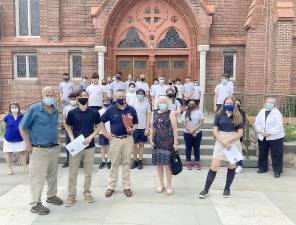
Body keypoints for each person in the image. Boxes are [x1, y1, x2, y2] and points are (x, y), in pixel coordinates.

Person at [19, 86, 63, 215]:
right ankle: (35, 203)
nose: (50, 97)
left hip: (53, 148)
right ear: (42, 96)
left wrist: (58, 138)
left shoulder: (55, 110)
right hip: (39, 149)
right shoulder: (34, 109)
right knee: (37, 178)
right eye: (47, 95)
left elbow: (54, 126)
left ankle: (51, 196)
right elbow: (22, 127)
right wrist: (27, 143)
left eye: (52, 95)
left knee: (52, 175)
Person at [199, 96, 243, 199]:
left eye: (231, 104)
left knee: (231, 166)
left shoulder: (238, 116)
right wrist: (223, 141)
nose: (229, 105)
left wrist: (228, 141)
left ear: (234, 105)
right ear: (224, 103)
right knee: (214, 166)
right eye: (227, 103)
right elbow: (215, 130)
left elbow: (240, 133)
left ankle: (227, 189)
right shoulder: (219, 115)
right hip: (220, 141)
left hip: (233, 142)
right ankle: (206, 189)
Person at [64, 90, 101, 207]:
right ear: (77, 98)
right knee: (72, 172)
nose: (83, 97)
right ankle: (71, 196)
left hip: (89, 146)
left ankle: (87, 193)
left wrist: (91, 137)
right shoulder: (72, 113)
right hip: (76, 145)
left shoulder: (94, 112)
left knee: (88, 172)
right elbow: (68, 127)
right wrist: (72, 138)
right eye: (81, 96)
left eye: (85, 95)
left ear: (88, 97)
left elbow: (98, 127)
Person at [100, 89, 138, 198]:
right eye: (118, 97)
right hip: (115, 140)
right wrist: (106, 133)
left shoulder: (131, 109)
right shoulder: (111, 109)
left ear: (125, 97)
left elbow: (136, 123)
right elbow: (101, 121)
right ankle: (111, 186)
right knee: (114, 163)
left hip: (127, 139)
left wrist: (132, 129)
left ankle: (126, 186)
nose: (120, 98)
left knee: (126, 163)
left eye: (122, 96)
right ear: (115, 98)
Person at [150, 96, 178, 195]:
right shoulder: (154, 113)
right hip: (157, 142)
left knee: (167, 165)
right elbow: (152, 128)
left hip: (168, 142)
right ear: (157, 103)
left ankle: (169, 185)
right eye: (161, 102)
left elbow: (174, 129)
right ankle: (161, 184)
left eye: (164, 102)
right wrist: (150, 139)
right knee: (159, 164)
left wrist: (176, 143)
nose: (162, 103)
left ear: (167, 103)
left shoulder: (171, 113)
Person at [254, 97, 285, 178]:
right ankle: (262, 168)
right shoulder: (261, 111)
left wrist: (270, 133)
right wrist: (260, 131)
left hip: (275, 137)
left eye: (271, 103)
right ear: (265, 103)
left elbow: (279, 126)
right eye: (268, 102)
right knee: (262, 152)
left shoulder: (277, 113)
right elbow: (257, 122)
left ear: (274, 104)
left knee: (276, 154)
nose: (269, 104)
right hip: (263, 135)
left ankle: (277, 171)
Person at [3, 102, 27, 175]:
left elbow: (25, 126)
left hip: (20, 138)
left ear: (18, 108)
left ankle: (25, 167)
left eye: (15, 107)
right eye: (12, 107)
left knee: (23, 153)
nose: (14, 109)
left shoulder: (22, 116)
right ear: (10, 108)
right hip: (9, 139)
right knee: (9, 154)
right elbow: (4, 127)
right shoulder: (6, 117)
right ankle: (10, 169)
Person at [130, 89, 151, 170]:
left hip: (143, 128)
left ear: (144, 94)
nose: (140, 94)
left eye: (141, 93)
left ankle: (140, 161)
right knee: (134, 145)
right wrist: (130, 127)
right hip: (134, 128)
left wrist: (147, 128)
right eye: (138, 93)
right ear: (136, 94)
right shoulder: (133, 103)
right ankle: (135, 160)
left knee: (141, 144)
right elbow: (129, 116)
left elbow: (148, 116)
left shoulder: (147, 104)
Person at [181, 100, 204, 170]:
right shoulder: (185, 113)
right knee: (188, 148)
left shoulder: (199, 112)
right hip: (187, 133)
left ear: (195, 104)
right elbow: (184, 123)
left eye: (193, 103)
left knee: (197, 148)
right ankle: (188, 162)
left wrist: (194, 130)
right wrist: (191, 131)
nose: (192, 104)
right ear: (188, 104)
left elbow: (201, 123)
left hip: (198, 133)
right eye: (190, 103)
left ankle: (197, 162)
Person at [62, 92, 79, 168]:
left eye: (74, 99)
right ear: (69, 100)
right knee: (68, 144)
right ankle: (68, 160)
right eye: (71, 99)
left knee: (78, 144)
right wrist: (66, 127)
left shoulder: (79, 107)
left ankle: (79, 161)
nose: (73, 100)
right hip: (68, 129)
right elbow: (64, 118)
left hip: (77, 128)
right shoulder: (66, 108)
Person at [98, 99, 112, 169]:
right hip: (102, 131)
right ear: (102, 103)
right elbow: (98, 122)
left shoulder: (112, 110)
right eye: (105, 102)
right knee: (103, 146)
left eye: (108, 102)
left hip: (110, 131)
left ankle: (109, 160)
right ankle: (103, 160)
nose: (106, 103)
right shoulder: (100, 111)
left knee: (109, 146)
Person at [235, 99, 246, 174]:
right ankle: (234, 165)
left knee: (239, 150)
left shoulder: (242, 112)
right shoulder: (230, 112)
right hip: (230, 134)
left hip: (238, 134)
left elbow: (242, 123)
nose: (236, 105)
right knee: (232, 151)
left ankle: (239, 165)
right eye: (235, 104)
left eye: (238, 104)